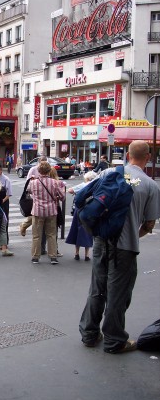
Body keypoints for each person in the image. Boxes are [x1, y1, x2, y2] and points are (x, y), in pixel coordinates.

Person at [79, 141, 160, 354]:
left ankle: (89, 333)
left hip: (101, 240)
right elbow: (149, 224)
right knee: (118, 293)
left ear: (127, 155)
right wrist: (134, 233)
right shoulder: (150, 185)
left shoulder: (108, 174)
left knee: (97, 289)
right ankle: (115, 340)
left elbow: (85, 198)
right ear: (148, 157)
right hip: (125, 247)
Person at [27, 161, 66, 264]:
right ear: (49, 170)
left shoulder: (33, 182)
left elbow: (29, 191)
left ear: (39, 171)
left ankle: (35, 257)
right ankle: (53, 257)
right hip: (51, 211)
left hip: (37, 211)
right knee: (51, 234)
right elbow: (62, 197)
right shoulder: (55, 182)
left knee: (36, 235)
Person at [65, 171, 98, 261]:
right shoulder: (97, 185)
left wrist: (76, 193)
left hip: (80, 209)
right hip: (91, 210)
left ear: (87, 178)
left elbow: (70, 190)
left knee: (77, 229)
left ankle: (77, 253)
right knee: (88, 231)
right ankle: (87, 255)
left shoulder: (84, 184)